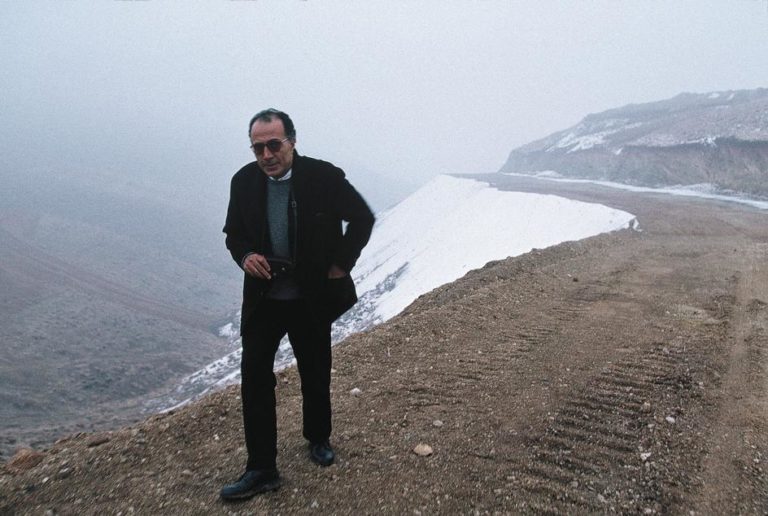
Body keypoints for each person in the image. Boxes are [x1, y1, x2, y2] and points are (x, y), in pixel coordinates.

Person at [220, 109, 375, 500]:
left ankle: (318, 437)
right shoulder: (243, 181)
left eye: (274, 145)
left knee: (315, 368)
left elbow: (362, 219)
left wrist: (340, 265)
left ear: (292, 140)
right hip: (264, 299)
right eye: (258, 148)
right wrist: (245, 256)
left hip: (310, 296)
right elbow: (234, 234)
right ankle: (261, 467)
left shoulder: (324, 177)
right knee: (255, 376)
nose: (266, 155)